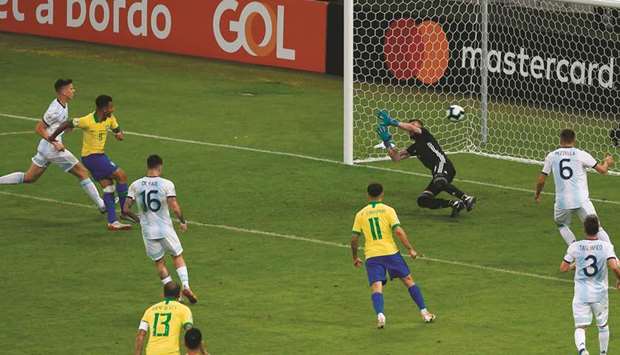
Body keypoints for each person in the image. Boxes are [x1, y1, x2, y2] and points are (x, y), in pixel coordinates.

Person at [0, 79, 105, 212]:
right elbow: (39, 128)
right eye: (71, 89)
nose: (74, 91)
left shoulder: (63, 104)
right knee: (82, 172)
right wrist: (55, 143)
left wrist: (66, 128)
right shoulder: (54, 110)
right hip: (52, 148)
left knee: (29, 177)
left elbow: (56, 125)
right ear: (64, 91)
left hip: (45, 147)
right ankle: (102, 205)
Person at [351, 182, 436, 328]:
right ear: (382, 194)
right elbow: (398, 231)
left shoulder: (361, 214)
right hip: (390, 253)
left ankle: (380, 315)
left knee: (376, 287)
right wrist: (410, 249)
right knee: (408, 281)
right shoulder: (388, 210)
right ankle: (424, 313)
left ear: (367, 195)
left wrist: (355, 257)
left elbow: (354, 238)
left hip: (372, 255)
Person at [49, 94, 134, 231]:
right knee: (122, 176)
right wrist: (52, 138)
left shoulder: (110, 119)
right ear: (103, 108)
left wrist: (119, 134)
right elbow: (67, 123)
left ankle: (112, 222)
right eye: (110, 107)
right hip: (92, 157)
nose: (113, 109)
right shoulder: (87, 120)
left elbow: (117, 129)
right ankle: (124, 211)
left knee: (108, 187)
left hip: (99, 156)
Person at [124, 154, 198, 304]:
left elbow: (125, 209)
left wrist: (139, 219)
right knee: (177, 256)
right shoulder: (167, 184)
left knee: (159, 263)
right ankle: (185, 286)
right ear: (160, 166)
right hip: (165, 229)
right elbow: (174, 206)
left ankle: (175, 295)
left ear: (148, 166)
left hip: (148, 232)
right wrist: (182, 221)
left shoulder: (135, 185)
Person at [376, 110, 476, 217]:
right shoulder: (414, 148)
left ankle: (466, 198)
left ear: (420, 127)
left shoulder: (424, 134)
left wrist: (392, 122)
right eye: (410, 125)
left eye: (414, 125)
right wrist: (387, 142)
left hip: (443, 164)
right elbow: (396, 158)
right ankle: (455, 204)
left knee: (439, 181)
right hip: (438, 173)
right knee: (423, 200)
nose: (411, 126)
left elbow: (412, 128)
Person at [535, 129, 614, 245]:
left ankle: (574, 250)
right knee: (597, 227)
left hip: (562, 202)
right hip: (581, 200)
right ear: (574, 140)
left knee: (562, 224)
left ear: (560, 140)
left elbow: (541, 180)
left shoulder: (551, 156)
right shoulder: (581, 154)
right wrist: (607, 162)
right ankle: (614, 258)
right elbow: (603, 170)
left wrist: (537, 194)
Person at [560, 215, 620, 355]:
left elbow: (563, 268)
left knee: (581, 327)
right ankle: (603, 353)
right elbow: (613, 266)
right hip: (599, 293)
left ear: (584, 229)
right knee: (603, 325)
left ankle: (582, 350)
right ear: (598, 230)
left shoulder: (575, 246)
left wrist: (575, 266)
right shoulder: (606, 247)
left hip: (581, 293)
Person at [135, 282, 194, 355]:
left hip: (151, 352)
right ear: (179, 295)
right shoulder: (184, 309)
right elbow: (190, 333)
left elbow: (140, 335)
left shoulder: (150, 310)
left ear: (163, 294)